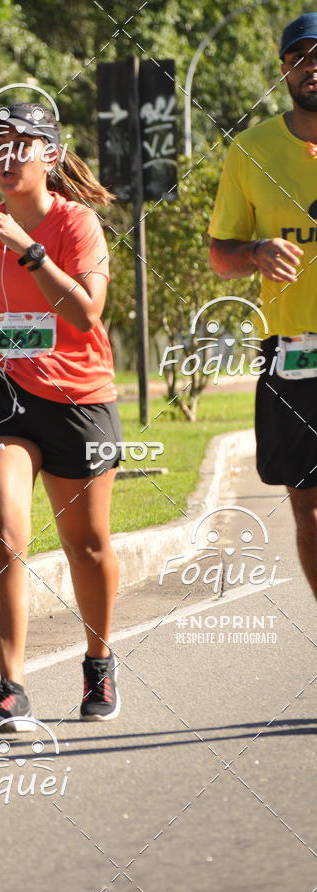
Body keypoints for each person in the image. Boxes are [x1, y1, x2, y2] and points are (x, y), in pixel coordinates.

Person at [0, 102, 122, 732]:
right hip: (2, 390)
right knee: (3, 533)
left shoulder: (77, 225)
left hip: (77, 398)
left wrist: (29, 250)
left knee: (88, 544)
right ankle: (10, 687)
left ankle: (99, 663)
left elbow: (83, 314)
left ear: (50, 155)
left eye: (23, 143)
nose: (6, 154)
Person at [209, 13, 317, 597]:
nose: (314, 66)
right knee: (311, 515)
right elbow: (221, 254)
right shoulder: (250, 152)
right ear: (285, 70)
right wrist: (255, 250)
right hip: (295, 355)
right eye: (301, 57)